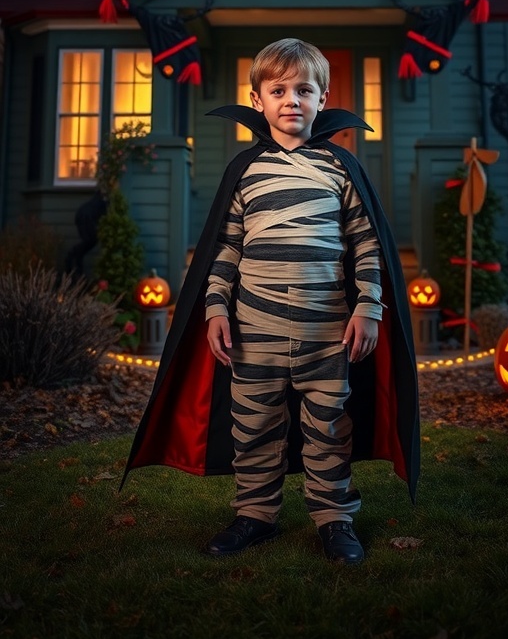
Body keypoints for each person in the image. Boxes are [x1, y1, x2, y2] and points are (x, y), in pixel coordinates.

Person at [122, 39, 419, 565]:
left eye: (304, 90)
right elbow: (226, 248)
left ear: (322, 99)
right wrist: (215, 309)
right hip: (253, 330)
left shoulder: (339, 167)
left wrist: (369, 307)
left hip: (327, 330)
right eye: (278, 89)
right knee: (253, 427)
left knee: (329, 427)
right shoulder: (245, 171)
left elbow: (367, 243)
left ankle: (334, 519)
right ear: (256, 98)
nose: (291, 100)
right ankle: (255, 514)